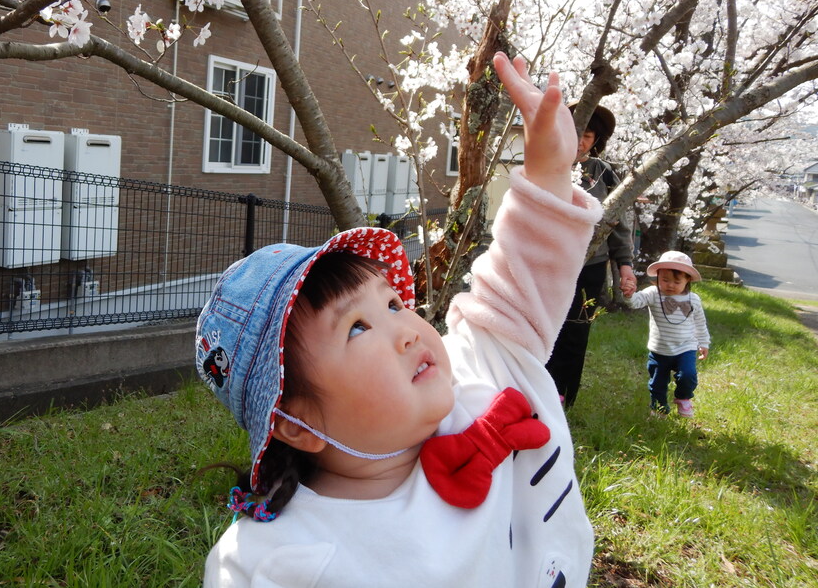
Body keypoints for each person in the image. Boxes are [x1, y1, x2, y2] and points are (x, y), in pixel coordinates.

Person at [194, 52, 603, 587]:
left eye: (392, 305)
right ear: (297, 422)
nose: (406, 329)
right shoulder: (281, 562)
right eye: (357, 327)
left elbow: (518, 280)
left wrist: (548, 171)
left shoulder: (479, 378)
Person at [545, 103, 637, 408]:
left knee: (576, 327)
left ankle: (563, 394)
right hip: (548, 262)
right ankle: (533, 388)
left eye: (587, 135)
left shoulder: (604, 173)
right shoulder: (545, 166)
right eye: (575, 134)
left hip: (590, 264)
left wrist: (624, 266)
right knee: (544, 325)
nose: (580, 141)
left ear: (595, 139)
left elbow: (619, 224)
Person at [625, 251, 711, 417]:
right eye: (665, 280)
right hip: (660, 349)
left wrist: (704, 343)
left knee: (688, 375)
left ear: (687, 280)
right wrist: (629, 295)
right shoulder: (653, 294)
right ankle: (659, 408)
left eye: (676, 281)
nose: (670, 285)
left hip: (686, 347)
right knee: (657, 383)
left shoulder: (693, 300)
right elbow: (636, 302)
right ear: (657, 278)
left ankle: (683, 398)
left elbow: (700, 323)